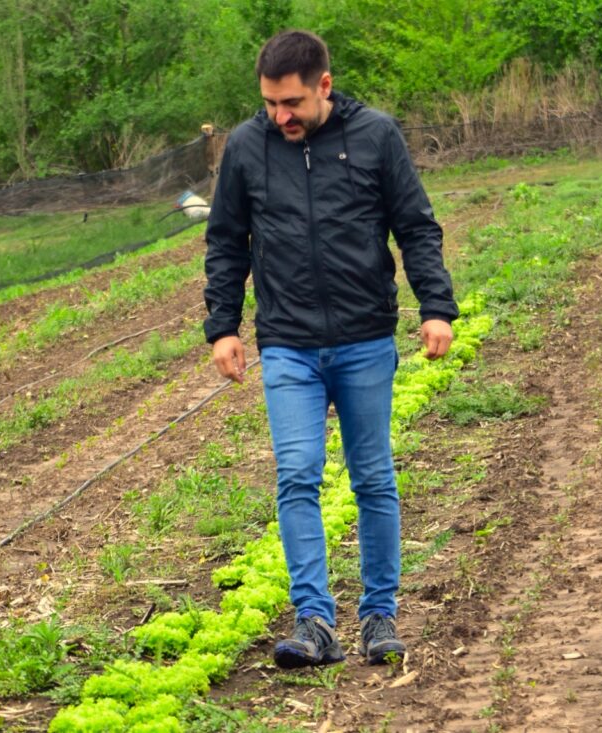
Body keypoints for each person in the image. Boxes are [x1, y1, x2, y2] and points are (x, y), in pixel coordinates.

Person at [203, 29, 458, 668]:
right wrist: (224, 326)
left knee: (372, 477)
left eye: (290, 103)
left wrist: (436, 307)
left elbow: (416, 225)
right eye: (269, 104)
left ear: (323, 85)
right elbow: (227, 240)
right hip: (287, 343)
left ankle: (379, 617)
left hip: (365, 337)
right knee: (297, 476)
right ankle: (315, 621)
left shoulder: (375, 135)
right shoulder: (245, 147)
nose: (280, 116)